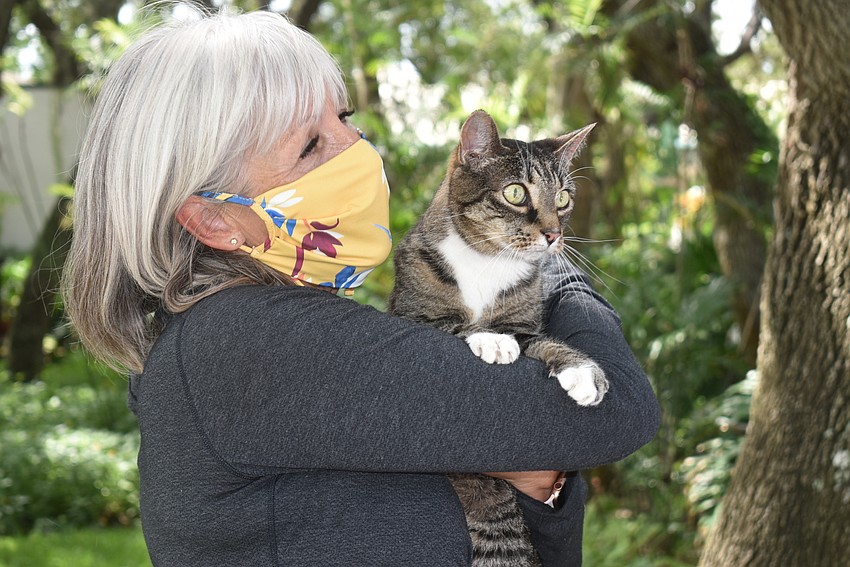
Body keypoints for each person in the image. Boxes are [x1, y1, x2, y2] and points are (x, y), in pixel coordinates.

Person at [62, 5, 659, 566]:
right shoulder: (252, 340)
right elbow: (615, 413)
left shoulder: (260, 327)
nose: (356, 148)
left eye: (343, 118)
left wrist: (530, 468)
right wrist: (553, 270)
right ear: (215, 218)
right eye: (311, 146)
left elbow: (532, 485)